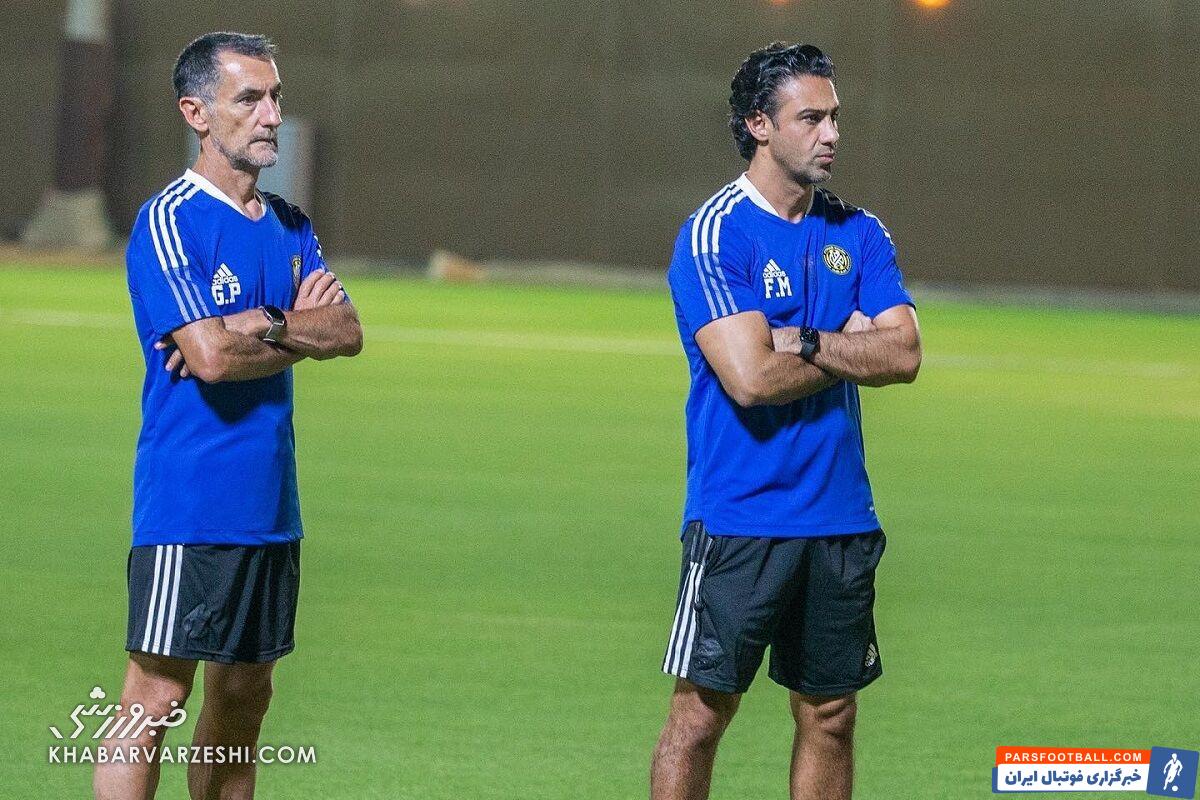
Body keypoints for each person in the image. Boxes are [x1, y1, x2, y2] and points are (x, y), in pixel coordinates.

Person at [95, 32, 362, 800]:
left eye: (275, 97)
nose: (272, 114)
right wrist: (289, 332)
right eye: (250, 98)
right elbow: (209, 359)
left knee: (244, 702)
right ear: (197, 113)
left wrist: (265, 323)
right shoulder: (170, 220)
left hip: (270, 506)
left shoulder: (290, 223)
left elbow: (346, 331)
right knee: (155, 697)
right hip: (189, 501)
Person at [652, 42, 921, 800]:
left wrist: (800, 337)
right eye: (811, 118)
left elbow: (904, 354)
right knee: (700, 717)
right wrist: (849, 343)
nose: (832, 134)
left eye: (835, 117)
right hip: (741, 517)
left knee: (831, 715)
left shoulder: (859, 230)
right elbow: (751, 379)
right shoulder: (715, 233)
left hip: (840, 517)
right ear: (759, 125)